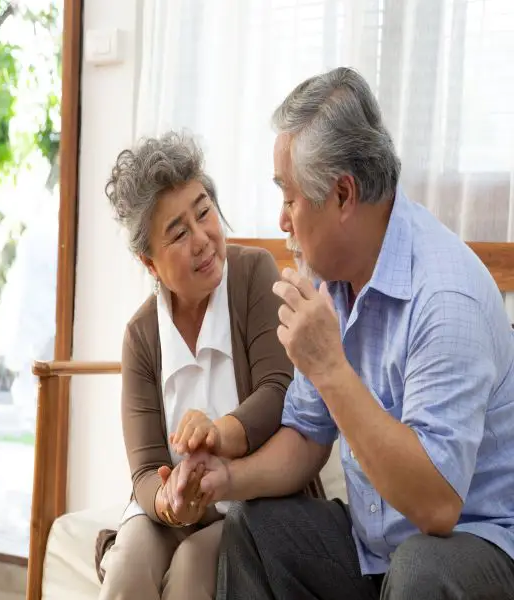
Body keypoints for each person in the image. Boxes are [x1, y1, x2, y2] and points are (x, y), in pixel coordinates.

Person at [183, 67, 514, 599]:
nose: (283, 220)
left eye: (290, 198)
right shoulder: (332, 282)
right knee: (255, 528)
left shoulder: (446, 295)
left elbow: (437, 506)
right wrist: (228, 477)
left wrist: (329, 366)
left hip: (475, 548)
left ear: (342, 195)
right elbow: (306, 437)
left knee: (420, 567)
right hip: (377, 550)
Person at [96, 131, 319, 600]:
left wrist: (216, 434)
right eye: (178, 233)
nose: (202, 240)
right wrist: (171, 501)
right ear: (149, 263)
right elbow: (145, 471)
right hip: (174, 508)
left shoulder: (253, 273)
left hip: (250, 500)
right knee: (126, 568)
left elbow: (279, 389)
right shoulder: (141, 335)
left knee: (194, 565)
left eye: (204, 212)